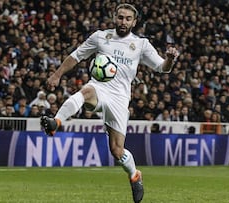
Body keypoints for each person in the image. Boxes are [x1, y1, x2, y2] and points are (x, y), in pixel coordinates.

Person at [40, 3, 179, 203]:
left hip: (120, 99)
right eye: (120, 17)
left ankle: (134, 175)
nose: (123, 22)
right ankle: (56, 122)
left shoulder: (141, 44)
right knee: (86, 91)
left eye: (127, 18)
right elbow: (76, 56)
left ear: (134, 21)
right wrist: (57, 74)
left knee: (117, 150)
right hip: (99, 88)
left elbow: (162, 68)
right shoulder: (99, 37)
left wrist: (170, 60)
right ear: (115, 18)